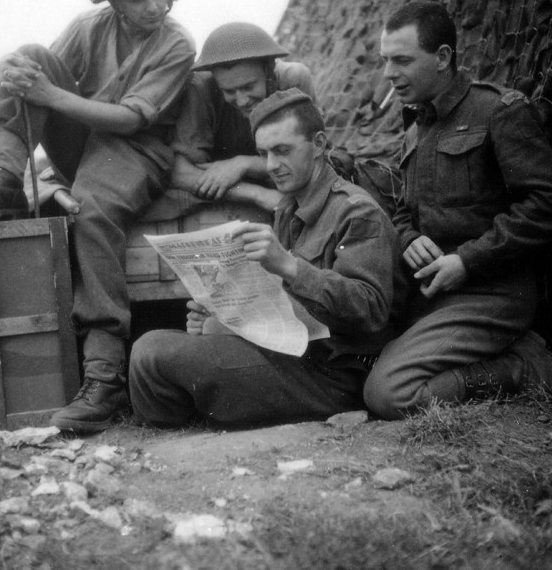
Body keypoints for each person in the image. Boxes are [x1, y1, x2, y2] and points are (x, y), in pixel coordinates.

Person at [0, 0, 196, 432]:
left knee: (92, 209)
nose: (154, 5)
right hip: (85, 139)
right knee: (32, 57)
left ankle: (103, 379)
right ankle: (4, 179)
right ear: (113, 3)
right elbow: (33, 81)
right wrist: (7, 69)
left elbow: (128, 120)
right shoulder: (90, 27)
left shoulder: (177, 43)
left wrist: (48, 94)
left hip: (137, 148)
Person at [363, 1, 552, 419]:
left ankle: (523, 368)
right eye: (385, 61)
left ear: (443, 57)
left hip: (492, 292)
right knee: (350, 356)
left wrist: (467, 261)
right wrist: (409, 239)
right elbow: (400, 209)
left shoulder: (498, 111)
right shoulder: (416, 128)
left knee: (388, 393)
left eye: (402, 60)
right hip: (434, 292)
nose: (389, 74)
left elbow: (551, 204)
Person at [129, 89, 407, 427]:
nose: (272, 165)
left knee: (151, 355)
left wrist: (289, 267)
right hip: (293, 354)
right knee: (157, 345)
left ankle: (182, 425)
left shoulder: (356, 211)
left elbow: (371, 310)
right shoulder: (290, 207)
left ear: (319, 144)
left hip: (335, 375)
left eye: (282, 151)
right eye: (264, 153)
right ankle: (192, 417)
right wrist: (222, 316)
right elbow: (284, 307)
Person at [169, 22, 316, 211]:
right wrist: (257, 195)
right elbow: (180, 173)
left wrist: (244, 164)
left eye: (248, 87)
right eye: (229, 91)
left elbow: (312, 157)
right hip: (233, 193)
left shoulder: (293, 79)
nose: (241, 101)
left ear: (269, 70)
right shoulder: (200, 89)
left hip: (280, 180)